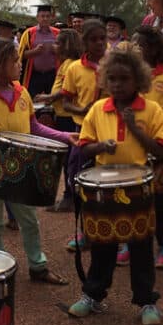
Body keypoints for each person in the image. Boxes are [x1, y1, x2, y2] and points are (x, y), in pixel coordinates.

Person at [67, 44, 163, 325]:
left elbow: (161, 150)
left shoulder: (151, 109)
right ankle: (93, 294)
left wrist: (134, 127)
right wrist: (101, 146)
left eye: (124, 79)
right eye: (112, 79)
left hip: (138, 187)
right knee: (102, 245)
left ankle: (147, 301)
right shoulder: (99, 109)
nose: (117, 84)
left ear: (138, 79)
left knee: (140, 247)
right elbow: (84, 147)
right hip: (104, 187)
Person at [0, 38, 77, 285]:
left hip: (21, 169)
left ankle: (38, 267)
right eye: (14, 60)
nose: (20, 64)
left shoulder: (22, 92)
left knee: (29, 220)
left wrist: (64, 136)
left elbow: (34, 127)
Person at [129, 25, 163, 269]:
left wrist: (159, 125)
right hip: (134, 143)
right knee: (132, 197)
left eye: (140, 44)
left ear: (154, 47)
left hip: (162, 142)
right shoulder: (130, 73)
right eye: (134, 44)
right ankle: (127, 243)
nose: (136, 48)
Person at [61, 20, 109, 251]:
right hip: (83, 133)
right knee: (80, 182)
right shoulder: (74, 69)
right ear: (84, 42)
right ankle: (84, 231)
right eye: (94, 39)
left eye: (103, 38)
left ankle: (112, 231)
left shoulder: (114, 64)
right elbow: (66, 102)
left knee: (109, 183)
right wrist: (82, 110)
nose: (100, 43)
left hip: (109, 132)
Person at [34, 28, 83, 213]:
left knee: (69, 159)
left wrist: (48, 98)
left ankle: (70, 196)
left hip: (68, 116)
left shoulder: (71, 64)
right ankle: (68, 195)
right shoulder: (66, 63)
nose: (55, 46)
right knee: (66, 159)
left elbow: (65, 91)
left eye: (58, 43)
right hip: (62, 114)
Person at [18, 4, 60, 97]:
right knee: (32, 100)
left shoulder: (58, 33)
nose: (45, 19)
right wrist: (35, 51)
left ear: (51, 18)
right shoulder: (28, 33)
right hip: (34, 75)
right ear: (37, 17)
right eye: (42, 16)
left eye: (48, 16)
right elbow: (21, 55)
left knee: (53, 101)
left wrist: (57, 50)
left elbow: (66, 53)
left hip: (53, 74)